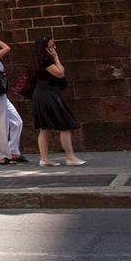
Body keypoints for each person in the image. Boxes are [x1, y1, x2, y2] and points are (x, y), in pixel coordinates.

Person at [28, 36, 85, 167]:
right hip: (49, 95)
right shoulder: (46, 61)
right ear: (45, 48)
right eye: (52, 46)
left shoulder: (37, 61)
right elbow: (60, 73)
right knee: (65, 125)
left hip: (41, 94)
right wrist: (56, 57)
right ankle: (70, 157)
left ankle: (45, 158)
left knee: (45, 127)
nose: (54, 48)